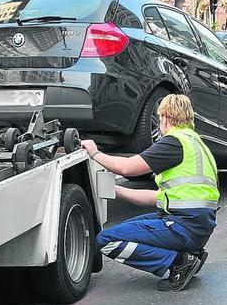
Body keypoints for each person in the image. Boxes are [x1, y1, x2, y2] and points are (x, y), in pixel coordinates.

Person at [81, 94, 219, 292]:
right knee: (127, 228)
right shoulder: (198, 145)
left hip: (184, 225)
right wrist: (115, 190)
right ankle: (191, 252)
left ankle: (179, 261)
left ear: (164, 118)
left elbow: (127, 168)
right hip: (196, 225)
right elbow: (158, 197)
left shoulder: (174, 142)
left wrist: (95, 153)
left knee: (107, 240)